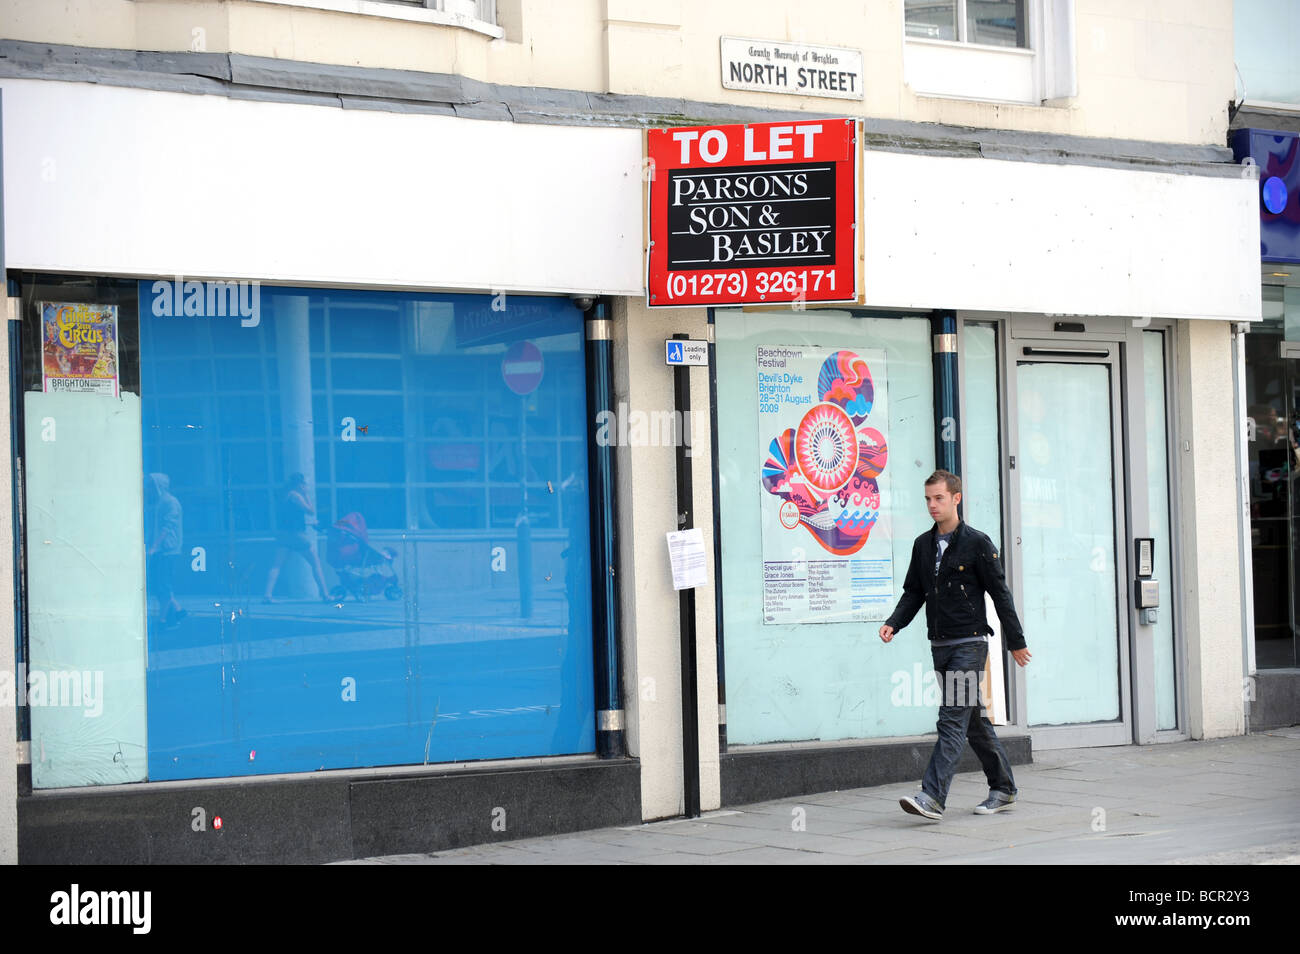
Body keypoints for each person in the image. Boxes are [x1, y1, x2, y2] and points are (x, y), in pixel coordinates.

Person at [878, 469, 1032, 820]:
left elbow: (1000, 595)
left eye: (939, 499)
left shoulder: (977, 543)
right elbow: (914, 592)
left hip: (969, 644)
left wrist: (1016, 642)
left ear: (956, 499)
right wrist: (894, 623)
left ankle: (932, 796)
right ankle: (1004, 787)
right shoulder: (922, 545)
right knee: (973, 720)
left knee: (950, 718)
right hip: (940, 645)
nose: (932, 505)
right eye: (928, 499)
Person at [264, 472, 331, 602]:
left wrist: (307, 523)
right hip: (297, 536)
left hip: (283, 535)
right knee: (315, 563)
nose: (305, 486)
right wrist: (306, 495)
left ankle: (267, 595)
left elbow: (290, 517)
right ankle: (325, 594)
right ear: (300, 484)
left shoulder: (285, 495)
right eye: (304, 484)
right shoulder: (296, 496)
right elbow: (311, 511)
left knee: (277, 565)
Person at [145, 472, 187, 628]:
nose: (148, 488)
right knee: (159, 584)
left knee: (163, 585)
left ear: (159, 485)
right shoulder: (159, 502)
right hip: (160, 550)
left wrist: (155, 545)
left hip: (168, 550)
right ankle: (178, 611)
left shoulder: (170, 502)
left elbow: (167, 528)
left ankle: (163, 620)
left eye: (150, 485)